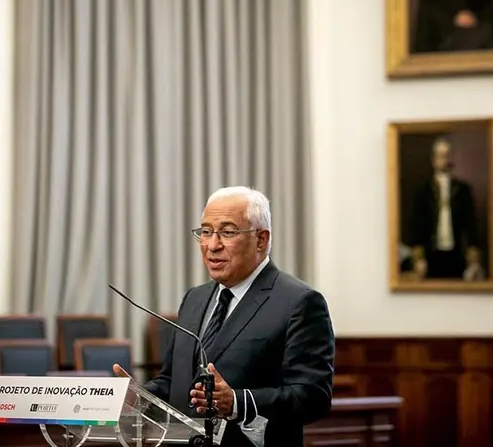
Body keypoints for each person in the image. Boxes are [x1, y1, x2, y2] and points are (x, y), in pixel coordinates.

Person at [113, 186, 335, 447]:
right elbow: (174, 381)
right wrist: (138, 398)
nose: (212, 245)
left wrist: (237, 402)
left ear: (261, 239)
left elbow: (313, 396)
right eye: (206, 232)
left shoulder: (299, 302)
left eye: (227, 233)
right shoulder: (195, 298)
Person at [407, 138, 484, 280]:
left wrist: (473, 261)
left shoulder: (462, 190)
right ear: (433, 159)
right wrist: (418, 259)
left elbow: (471, 226)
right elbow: (416, 228)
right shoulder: (422, 191)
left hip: (457, 256)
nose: (445, 160)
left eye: (447, 155)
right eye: (441, 156)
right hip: (431, 257)